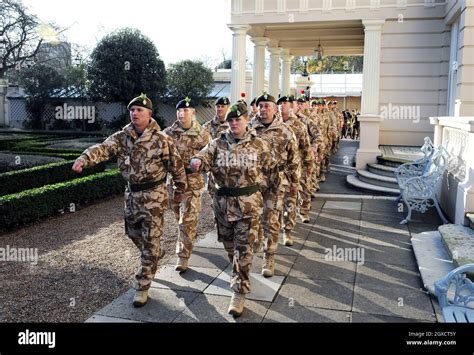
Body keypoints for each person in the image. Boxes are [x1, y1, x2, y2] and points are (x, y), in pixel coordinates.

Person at [72, 93, 187, 307]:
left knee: (151, 241)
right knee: (132, 234)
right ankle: (154, 253)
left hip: (154, 197)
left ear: (149, 114)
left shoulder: (161, 140)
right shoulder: (122, 137)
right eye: (132, 110)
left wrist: (180, 190)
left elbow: (176, 166)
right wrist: (84, 158)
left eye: (139, 110)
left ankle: (142, 286)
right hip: (131, 197)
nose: (134, 113)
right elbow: (103, 148)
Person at [189, 101, 273, 317]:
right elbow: (203, 155)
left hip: (248, 207)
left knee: (242, 250)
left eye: (238, 119)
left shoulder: (259, 145)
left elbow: (271, 171)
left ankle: (238, 291)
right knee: (229, 245)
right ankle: (239, 270)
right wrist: (197, 162)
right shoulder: (218, 143)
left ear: (247, 120)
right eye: (231, 120)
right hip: (223, 206)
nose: (234, 123)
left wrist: (266, 197)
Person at [249, 93, 299, 278]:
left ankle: (269, 256)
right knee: (253, 217)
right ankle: (255, 241)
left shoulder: (285, 131)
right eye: (260, 106)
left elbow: (294, 159)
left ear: (275, 108)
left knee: (271, 219)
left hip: (276, 182)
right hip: (254, 181)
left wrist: (294, 182)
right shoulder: (249, 129)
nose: (263, 109)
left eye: (267, 106)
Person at [163, 97, 211, 273]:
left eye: (186, 110)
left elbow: (210, 157)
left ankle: (183, 257)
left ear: (193, 113)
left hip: (193, 183)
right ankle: (189, 238)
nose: (182, 113)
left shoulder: (203, 134)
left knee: (186, 221)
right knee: (179, 219)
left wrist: (202, 165)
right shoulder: (168, 133)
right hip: (174, 184)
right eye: (179, 111)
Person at [278, 95, 313, 245]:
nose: (282, 106)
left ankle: (287, 232)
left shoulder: (299, 125)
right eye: (280, 103)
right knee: (272, 205)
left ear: (291, 106)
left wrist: (309, 165)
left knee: (290, 202)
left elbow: (305, 148)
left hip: (292, 170)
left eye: (285, 103)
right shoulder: (271, 124)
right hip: (273, 173)